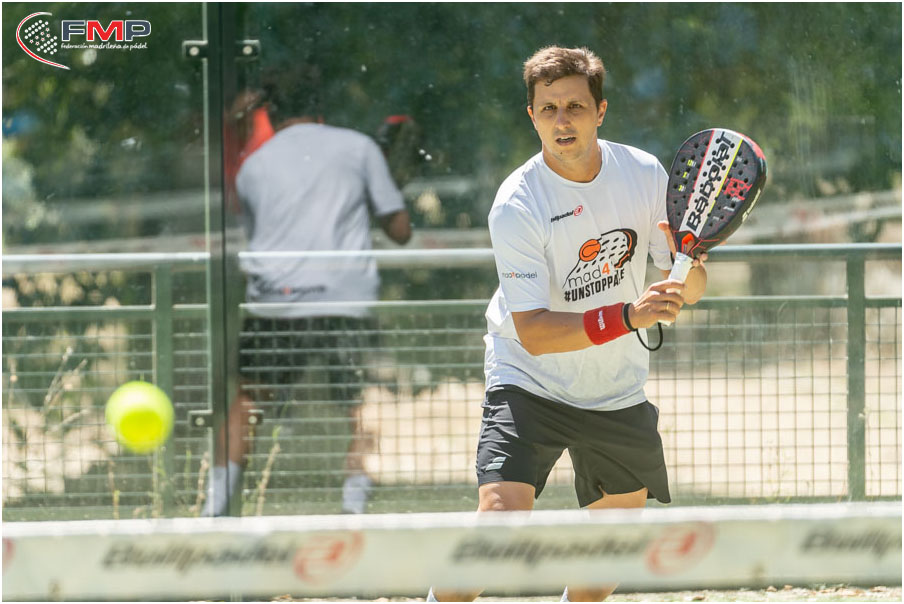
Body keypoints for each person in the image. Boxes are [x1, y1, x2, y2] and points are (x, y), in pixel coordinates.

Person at [428, 46, 707, 602]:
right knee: (499, 525)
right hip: (529, 379)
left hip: (615, 387)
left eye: (575, 106)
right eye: (548, 108)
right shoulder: (517, 204)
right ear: (531, 116)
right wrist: (629, 315)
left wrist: (689, 268)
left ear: (600, 111)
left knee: (604, 563)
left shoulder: (643, 173)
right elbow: (533, 331)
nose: (562, 120)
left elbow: (688, 288)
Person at [203, 65, 412, 517]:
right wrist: (391, 186)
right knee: (359, 405)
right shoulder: (358, 147)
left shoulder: (253, 166)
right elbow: (399, 230)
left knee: (247, 401)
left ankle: (213, 510)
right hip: (344, 299)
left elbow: (260, 235)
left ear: (271, 111)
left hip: (275, 300)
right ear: (319, 107)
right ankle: (354, 511)